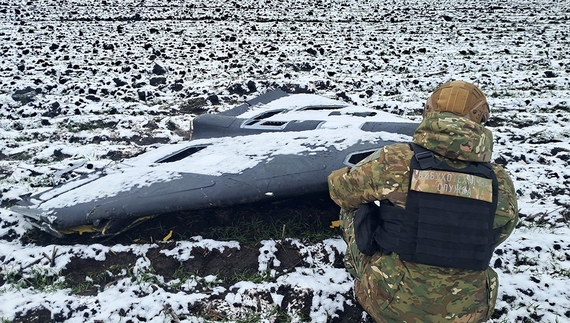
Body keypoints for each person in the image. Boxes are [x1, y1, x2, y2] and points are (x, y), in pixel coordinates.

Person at [328, 80, 518, 323]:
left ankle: (365, 274)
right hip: (470, 311)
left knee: (354, 209)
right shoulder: (499, 180)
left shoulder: (396, 160)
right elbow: (501, 232)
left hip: (391, 304)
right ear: (479, 120)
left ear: (428, 111)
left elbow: (340, 191)